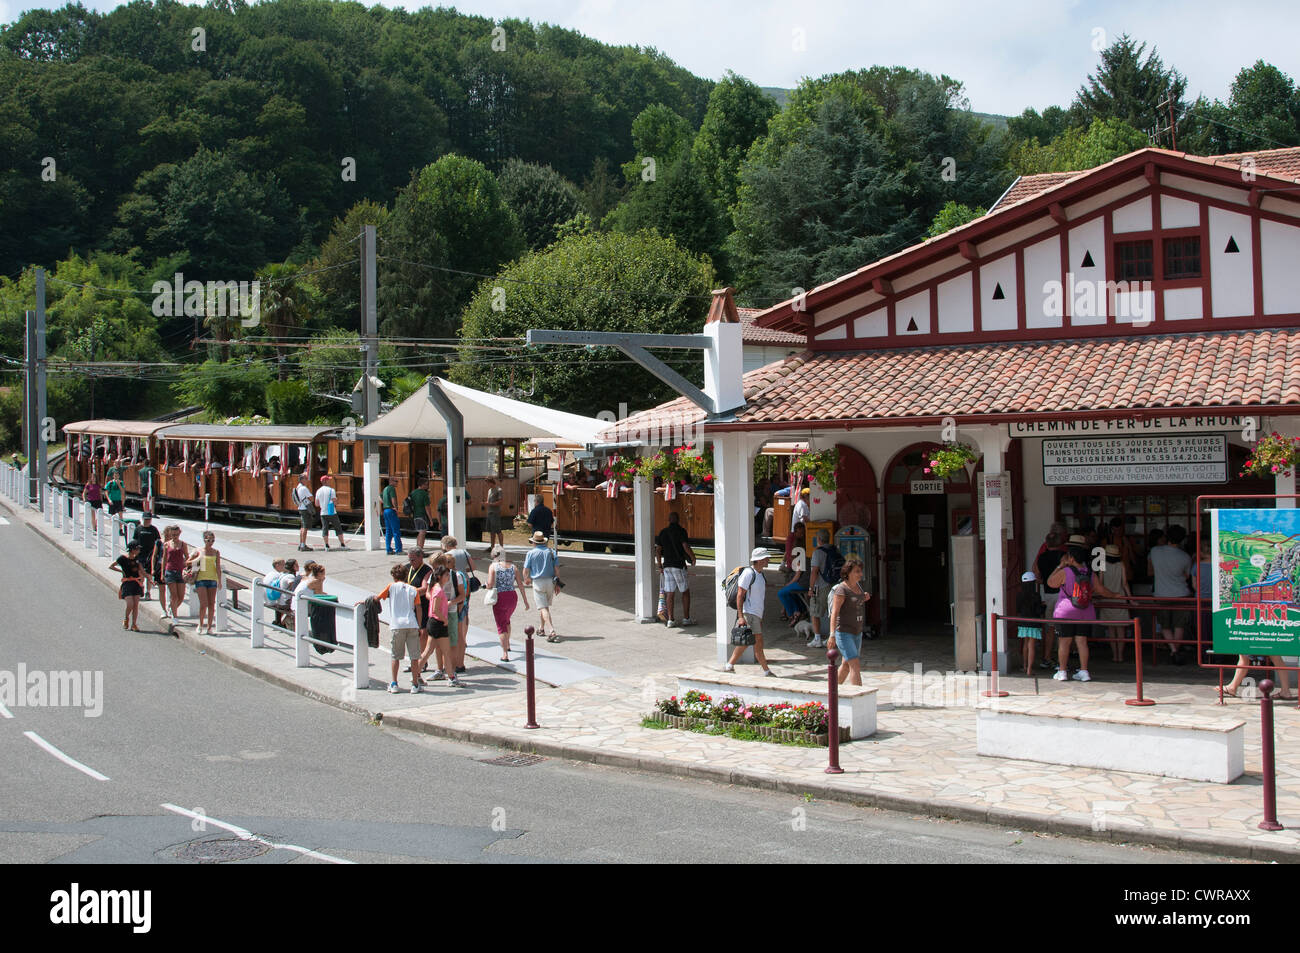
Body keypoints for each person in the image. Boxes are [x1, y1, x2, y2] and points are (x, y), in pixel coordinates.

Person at [1047, 540, 1119, 682]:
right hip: (1085, 611)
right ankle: (1084, 671)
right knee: (1082, 642)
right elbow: (1101, 590)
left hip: (1066, 611)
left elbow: (1050, 582)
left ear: (1071, 558)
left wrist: (1059, 566)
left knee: (1064, 642)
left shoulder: (1065, 572)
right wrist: (1115, 595)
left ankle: (1062, 671)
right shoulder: (1090, 572)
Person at [368, 563, 424, 694]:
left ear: (393, 576)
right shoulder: (413, 589)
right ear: (406, 576)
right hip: (411, 623)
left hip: (397, 625)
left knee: (395, 656)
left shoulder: (391, 587)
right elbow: (418, 608)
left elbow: (377, 598)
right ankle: (415, 684)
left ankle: (394, 683)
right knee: (414, 657)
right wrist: (419, 625)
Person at [725, 547, 775, 676]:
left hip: (755, 614)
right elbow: (740, 595)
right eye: (765, 558)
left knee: (749, 642)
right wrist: (741, 616)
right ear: (759, 560)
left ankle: (730, 665)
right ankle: (766, 671)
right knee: (755, 642)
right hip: (749, 613)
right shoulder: (749, 574)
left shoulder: (760, 575)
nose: (768, 560)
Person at [1149, 524, 1192, 664]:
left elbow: (1150, 571)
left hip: (1161, 593)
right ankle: (1176, 652)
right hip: (1181, 593)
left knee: (1165, 625)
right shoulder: (1185, 556)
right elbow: (1187, 576)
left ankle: (1173, 650)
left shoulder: (1154, 551)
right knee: (1179, 625)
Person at [827, 556, 870, 685]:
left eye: (860, 571)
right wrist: (832, 635)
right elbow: (834, 613)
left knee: (846, 665)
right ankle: (858, 699)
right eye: (857, 571)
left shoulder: (858, 587)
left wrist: (864, 597)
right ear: (848, 573)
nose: (860, 574)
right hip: (844, 633)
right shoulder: (841, 589)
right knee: (855, 665)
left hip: (857, 632)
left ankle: (832, 692)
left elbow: (856, 602)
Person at [487, 544, 530, 660]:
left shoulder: (493, 567)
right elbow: (520, 585)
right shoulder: (513, 567)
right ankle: (508, 643)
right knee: (506, 620)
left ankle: (505, 653)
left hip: (500, 596)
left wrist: (486, 586)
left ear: (494, 555)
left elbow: (490, 584)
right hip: (512, 596)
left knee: (501, 625)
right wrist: (525, 601)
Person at [655, 512, 697, 627]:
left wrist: (659, 565)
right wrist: (693, 558)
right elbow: (685, 546)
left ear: (669, 520)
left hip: (667, 566)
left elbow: (658, 550)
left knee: (670, 593)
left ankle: (671, 620)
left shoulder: (663, 532)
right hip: (678, 566)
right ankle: (686, 618)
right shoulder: (681, 531)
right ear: (678, 520)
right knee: (685, 592)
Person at [442, 536, 476, 674]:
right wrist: (463, 571)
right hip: (465, 585)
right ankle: (464, 635)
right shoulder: (464, 552)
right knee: (464, 612)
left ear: (445, 545)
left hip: (452, 589)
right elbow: (473, 567)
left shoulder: (445, 557)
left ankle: (449, 664)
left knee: (453, 619)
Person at [1034, 530, 1067, 670]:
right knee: (1062, 630)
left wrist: (1043, 582)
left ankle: (1046, 658)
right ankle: (1061, 661)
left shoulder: (1041, 558)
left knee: (1049, 629)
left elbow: (1036, 574)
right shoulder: (1063, 557)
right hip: (1062, 595)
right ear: (1060, 543)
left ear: (1046, 543)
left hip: (1047, 595)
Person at [522, 530, 562, 642]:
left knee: (543, 607)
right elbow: (556, 569)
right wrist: (558, 583)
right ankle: (541, 628)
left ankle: (551, 631)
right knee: (545, 607)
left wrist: (526, 579)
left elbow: (526, 570)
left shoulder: (530, 553)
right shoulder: (551, 552)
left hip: (538, 582)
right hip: (550, 582)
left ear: (534, 542)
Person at [808, 529, 843, 648]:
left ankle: (817, 638)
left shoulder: (818, 552)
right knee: (833, 612)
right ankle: (832, 636)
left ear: (818, 539)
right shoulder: (835, 549)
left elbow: (814, 571)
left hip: (821, 586)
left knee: (815, 611)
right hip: (834, 585)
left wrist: (810, 588)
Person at [1098, 543, 1132, 662]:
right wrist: (1131, 599)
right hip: (1120, 598)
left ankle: (1114, 655)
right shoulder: (1121, 565)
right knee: (1121, 629)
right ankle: (1121, 655)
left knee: (1111, 629)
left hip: (1107, 599)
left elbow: (1100, 583)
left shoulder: (1102, 565)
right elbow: (1125, 583)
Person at [186, 530, 222, 635]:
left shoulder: (216, 552)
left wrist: (219, 581)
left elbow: (218, 567)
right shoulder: (198, 551)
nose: (211, 542)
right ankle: (200, 624)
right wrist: (198, 558)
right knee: (203, 604)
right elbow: (187, 562)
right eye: (208, 540)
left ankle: (209, 627)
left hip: (212, 579)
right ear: (204, 540)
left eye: (212, 540)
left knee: (211, 604)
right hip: (201, 579)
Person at [111, 541, 146, 631]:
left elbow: (142, 570)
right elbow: (111, 566)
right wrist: (121, 571)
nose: (138, 550)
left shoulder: (137, 559)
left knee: (136, 605)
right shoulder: (122, 558)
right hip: (127, 583)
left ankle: (134, 624)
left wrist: (149, 579)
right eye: (137, 549)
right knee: (130, 604)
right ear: (132, 550)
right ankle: (126, 618)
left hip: (136, 583)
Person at [1015, 570, 1045, 674]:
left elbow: (1018, 609)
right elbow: (1039, 611)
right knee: (1031, 645)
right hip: (1034, 622)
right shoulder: (1036, 596)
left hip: (1023, 622)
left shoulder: (1019, 595)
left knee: (1025, 644)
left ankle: (1024, 666)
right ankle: (1029, 669)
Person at [160, 524, 191, 620]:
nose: (175, 537)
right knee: (174, 596)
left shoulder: (183, 544)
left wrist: (188, 568)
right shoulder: (166, 545)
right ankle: (175, 616)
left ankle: (171, 609)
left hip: (180, 572)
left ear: (179, 533)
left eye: (176, 535)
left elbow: (187, 557)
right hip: (170, 571)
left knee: (181, 596)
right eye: (173, 535)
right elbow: (164, 559)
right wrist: (162, 573)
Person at [131, 512, 162, 602]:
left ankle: (148, 592)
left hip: (150, 555)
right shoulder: (138, 529)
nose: (147, 521)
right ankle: (141, 588)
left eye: (149, 519)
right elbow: (135, 541)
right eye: (145, 519)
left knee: (148, 574)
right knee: (140, 573)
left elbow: (158, 541)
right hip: (140, 554)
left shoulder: (154, 529)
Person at [315, 475, 346, 549]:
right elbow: (334, 501)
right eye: (328, 480)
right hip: (331, 512)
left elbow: (316, 504)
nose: (330, 481)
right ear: (325, 481)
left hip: (323, 513)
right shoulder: (331, 490)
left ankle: (326, 545)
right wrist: (336, 502)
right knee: (338, 528)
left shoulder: (318, 491)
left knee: (325, 529)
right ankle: (342, 544)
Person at [409, 479, 432, 551]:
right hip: (422, 515)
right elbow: (427, 508)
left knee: (419, 532)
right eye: (426, 484)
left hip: (415, 515)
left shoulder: (413, 492)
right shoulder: (424, 494)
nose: (427, 486)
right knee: (422, 532)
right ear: (422, 485)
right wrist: (431, 519)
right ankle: (420, 549)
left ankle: (417, 548)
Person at [380, 478, 402, 554]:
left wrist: (385, 503)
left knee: (388, 531)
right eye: (396, 481)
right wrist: (395, 508)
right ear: (391, 481)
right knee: (396, 531)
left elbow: (379, 497)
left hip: (385, 510)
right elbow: (393, 499)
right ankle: (398, 550)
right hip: (391, 510)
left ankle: (388, 549)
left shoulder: (385, 489)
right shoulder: (392, 488)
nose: (397, 483)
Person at [293, 474, 314, 551]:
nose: (307, 480)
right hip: (305, 509)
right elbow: (311, 498)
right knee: (305, 527)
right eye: (305, 478)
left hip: (301, 507)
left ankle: (301, 543)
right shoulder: (304, 488)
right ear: (302, 480)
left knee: (302, 527)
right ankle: (303, 545)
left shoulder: (298, 487)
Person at [485, 477, 505, 551]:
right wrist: (486, 503)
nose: (487, 484)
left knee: (498, 530)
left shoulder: (498, 490)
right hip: (489, 512)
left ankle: (501, 547)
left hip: (495, 513)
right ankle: (492, 547)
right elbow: (488, 501)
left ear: (491, 482)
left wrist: (491, 504)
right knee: (491, 531)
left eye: (488, 483)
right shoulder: (489, 490)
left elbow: (501, 501)